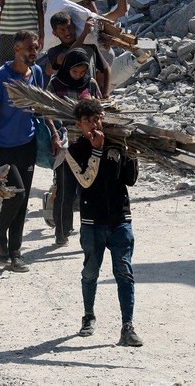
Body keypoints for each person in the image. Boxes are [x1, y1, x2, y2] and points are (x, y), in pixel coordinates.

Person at [66, 97, 142, 346]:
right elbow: (86, 181)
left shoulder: (117, 144)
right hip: (92, 221)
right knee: (90, 272)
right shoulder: (74, 151)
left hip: (120, 218)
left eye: (97, 118)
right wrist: (97, 150)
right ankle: (88, 316)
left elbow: (130, 180)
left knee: (124, 272)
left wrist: (132, 153)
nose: (94, 123)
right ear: (79, 124)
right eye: (88, 120)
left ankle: (127, 326)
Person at [0, 30, 53, 272]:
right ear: (16, 49)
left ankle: (15, 252)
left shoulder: (37, 73)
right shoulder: (0, 78)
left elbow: (41, 106)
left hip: (27, 144)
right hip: (5, 147)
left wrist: (53, 134)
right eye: (29, 47)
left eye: (36, 47)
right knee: (16, 195)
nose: (34, 52)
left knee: (23, 197)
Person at [47, 49, 102, 245]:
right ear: (67, 68)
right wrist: (54, 134)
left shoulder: (91, 83)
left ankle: (88, 232)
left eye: (82, 72)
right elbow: (47, 112)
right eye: (75, 72)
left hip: (88, 142)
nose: (79, 76)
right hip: (66, 143)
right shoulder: (55, 83)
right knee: (65, 190)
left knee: (89, 190)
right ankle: (61, 232)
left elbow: (99, 110)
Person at [44, 11, 111, 97]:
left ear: (74, 26)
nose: (67, 32)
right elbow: (67, 58)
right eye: (62, 30)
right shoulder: (54, 51)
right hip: (64, 99)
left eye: (69, 27)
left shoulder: (89, 48)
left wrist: (106, 94)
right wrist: (84, 33)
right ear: (55, 33)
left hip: (86, 97)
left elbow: (106, 69)